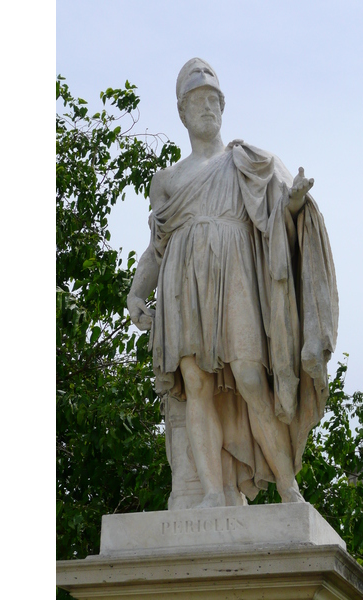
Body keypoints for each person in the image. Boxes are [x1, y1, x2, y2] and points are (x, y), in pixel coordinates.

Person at [127, 58, 338, 508]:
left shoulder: (249, 163)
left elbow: (280, 216)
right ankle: (210, 493)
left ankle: (288, 487)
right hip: (184, 283)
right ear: (182, 112)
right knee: (196, 383)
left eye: (212, 100)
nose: (206, 108)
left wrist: (296, 204)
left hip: (236, 276)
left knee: (248, 375)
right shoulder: (166, 181)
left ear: (223, 107)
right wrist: (136, 293)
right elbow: (157, 248)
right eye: (196, 101)